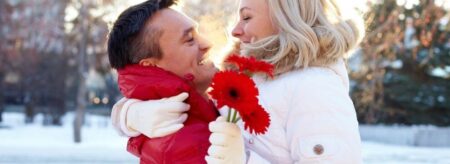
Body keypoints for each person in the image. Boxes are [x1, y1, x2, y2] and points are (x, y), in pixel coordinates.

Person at [113, 0, 366, 163]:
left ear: (285, 19)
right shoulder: (245, 78)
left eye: (246, 17)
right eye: (189, 39)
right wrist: (128, 114)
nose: (233, 30)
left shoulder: (314, 88)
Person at [107, 0, 218, 163]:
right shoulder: (183, 145)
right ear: (151, 65)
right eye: (189, 40)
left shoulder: (198, 112)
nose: (208, 44)